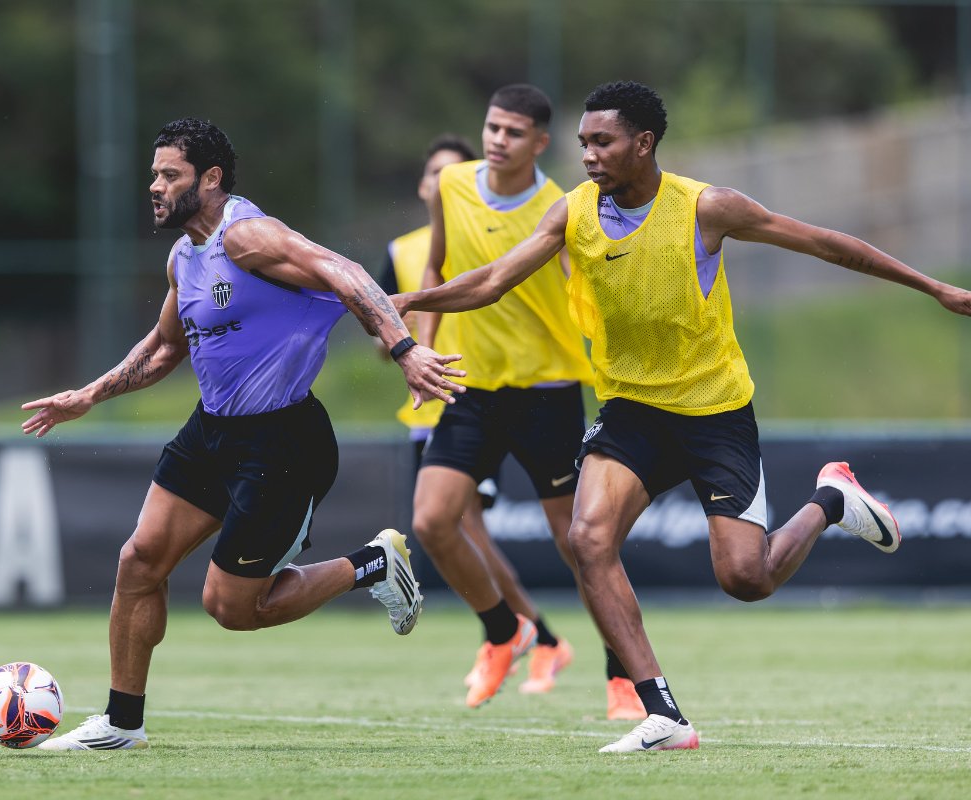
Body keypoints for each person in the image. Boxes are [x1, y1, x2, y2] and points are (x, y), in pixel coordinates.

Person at [393, 80, 971, 751]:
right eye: (583, 143)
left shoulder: (707, 208)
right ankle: (661, 713)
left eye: (602, 142)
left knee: (745, 580)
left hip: (713, 413)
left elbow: (825, 244)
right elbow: (492, 280)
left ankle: (831, 500)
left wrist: (935, 287)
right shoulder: (573, 212)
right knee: (587, 540)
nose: (588, 156)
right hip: (630, 410)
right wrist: (407, 301)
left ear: (644, 143)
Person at [21, 118, 465, 751]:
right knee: (139, 560)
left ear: (211, 179)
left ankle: (373, 564)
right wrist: (88, 394)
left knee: (232, 609)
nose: (155, 186)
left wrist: (402, 350)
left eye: (168, 175)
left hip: (283, 441)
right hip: (212, 431)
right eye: (154, 174)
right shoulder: (184, 256)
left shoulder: (250, 237)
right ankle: (121, 725)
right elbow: (165, 347)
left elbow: (346, 272)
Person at [408, 85, 643, 715]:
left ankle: (624, 674)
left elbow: (587, 288)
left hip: (548, 394)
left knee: (580, 546)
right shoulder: (453, 185)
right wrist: (423, 348)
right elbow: (435, 267)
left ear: (540, 143)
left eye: (513, 132)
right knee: (432, 520)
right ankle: (504, 633)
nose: (497, 140)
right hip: (475, 388)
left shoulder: (563, 208)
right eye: (491, 127)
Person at [380, 133, 607, 700]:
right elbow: (391, 322)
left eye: (452, 173)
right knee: (444, 523)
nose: (443, 184)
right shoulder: (404, 250)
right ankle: (518, 633)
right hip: (451, 395)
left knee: (545, 533)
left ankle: (563, 645)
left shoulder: (544, 213)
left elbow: (514, 283)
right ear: (424, 185)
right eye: (434, 174)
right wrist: (415, 352)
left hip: (536, 392)